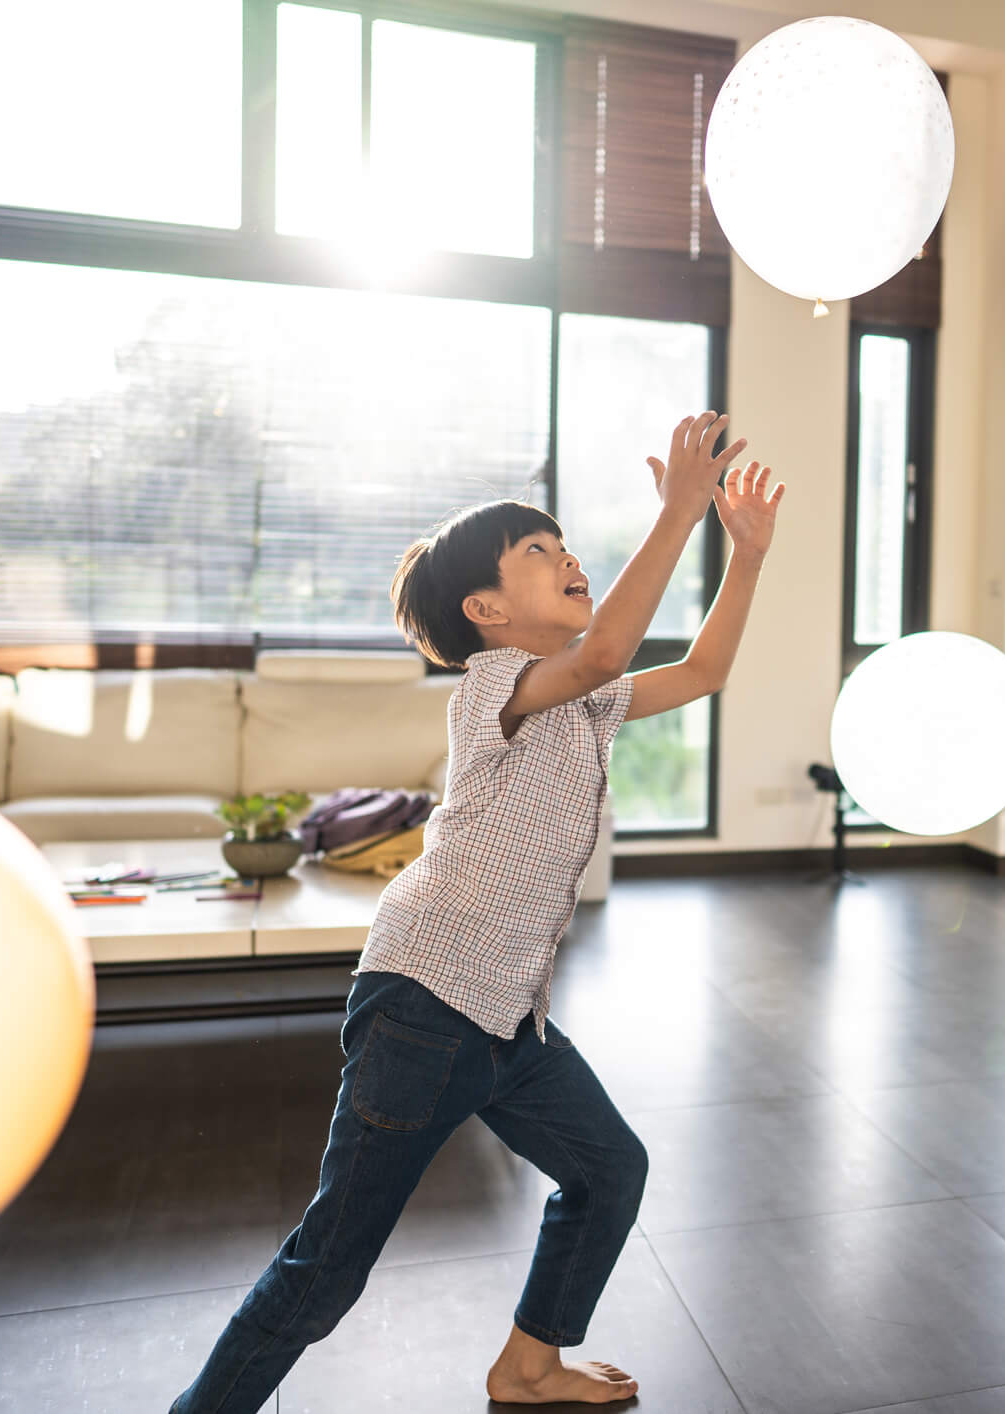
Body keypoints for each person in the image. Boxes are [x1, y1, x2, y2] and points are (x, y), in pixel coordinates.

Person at [171, 411, 783, 1411]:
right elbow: (598, 655)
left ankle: (528, 1365)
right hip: (421, 1003)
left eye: (564, 542)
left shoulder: (586, 699)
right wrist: (678, 510)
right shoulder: (492, 685)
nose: (569, 555)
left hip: (508, 1018)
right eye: (540, 552)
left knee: (608, 1170)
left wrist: (744, 557)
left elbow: (704, 671)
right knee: (330, 1265)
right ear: (487, 611)